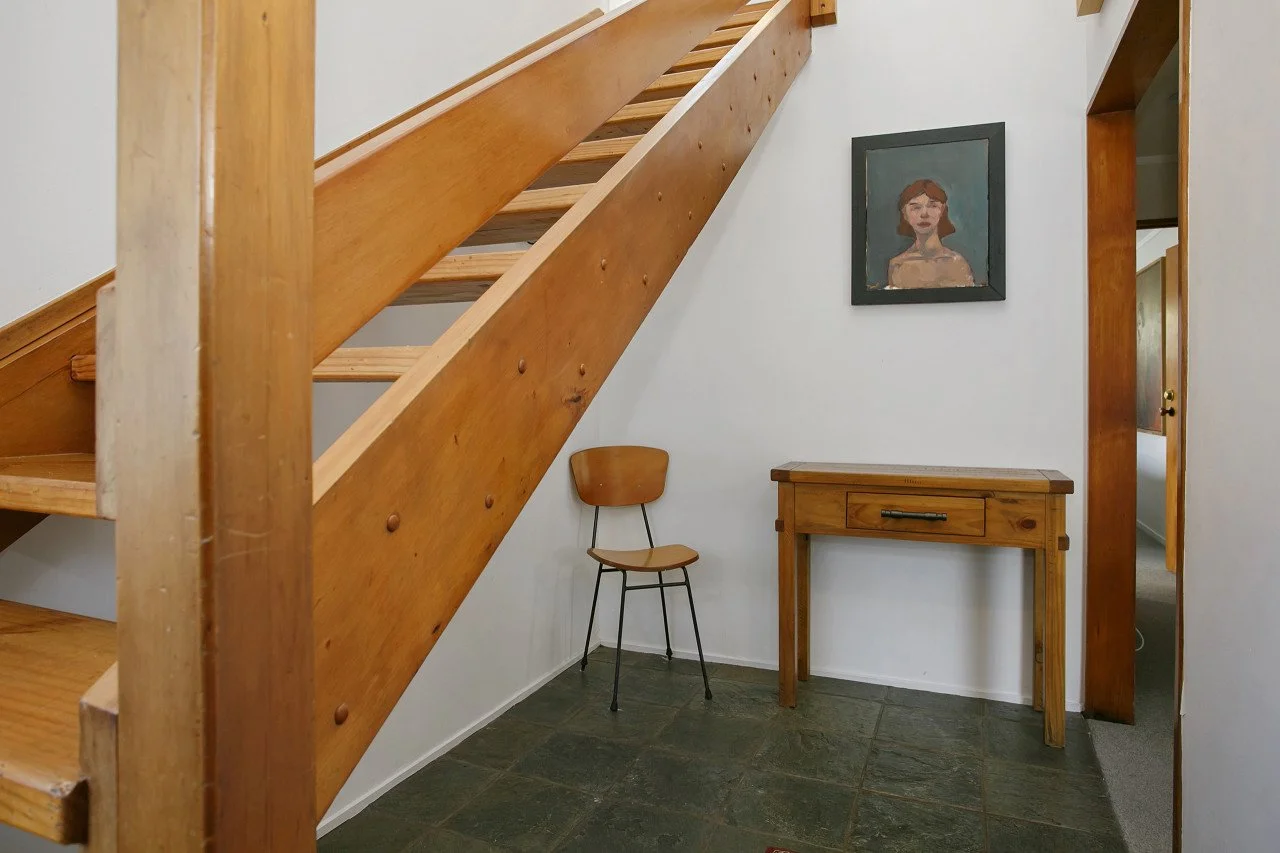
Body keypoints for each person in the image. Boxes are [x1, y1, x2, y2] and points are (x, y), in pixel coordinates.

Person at [886, 178, 976, 289]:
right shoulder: (897, 266)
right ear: (905, 214)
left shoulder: (958, 264)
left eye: (932, 206)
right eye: (915, 207)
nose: (924, 214)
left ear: (942, 211)